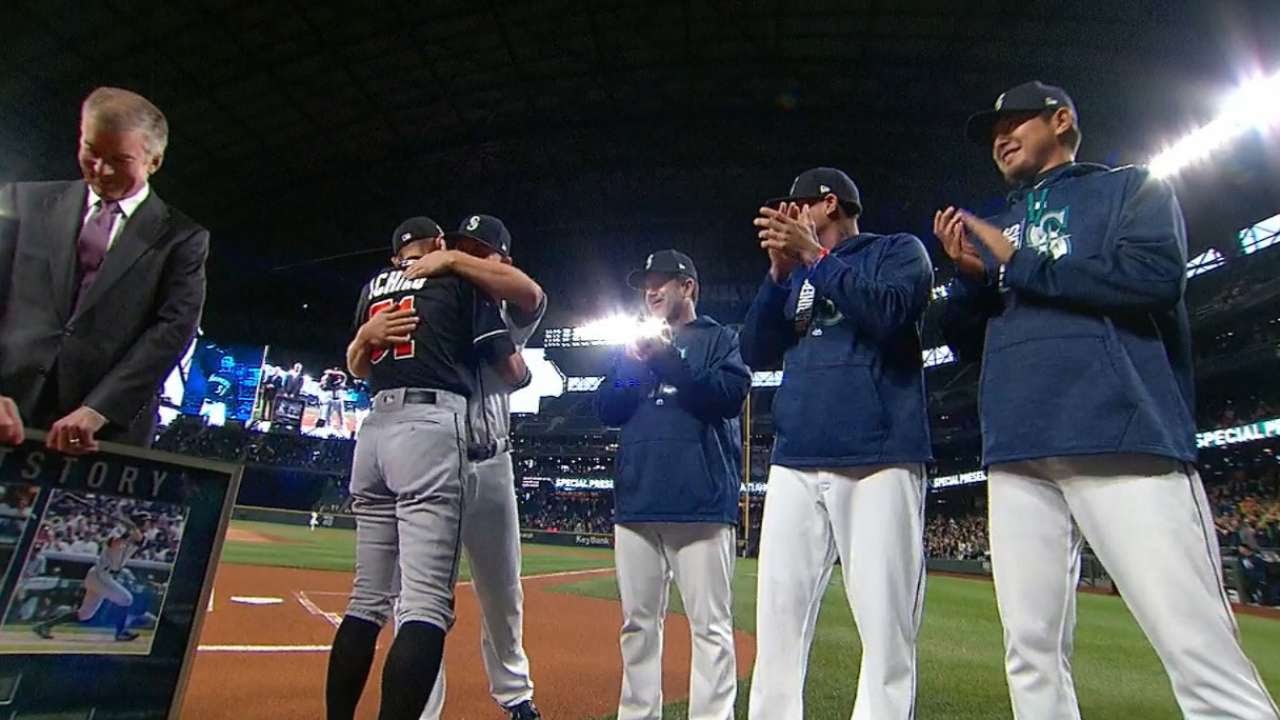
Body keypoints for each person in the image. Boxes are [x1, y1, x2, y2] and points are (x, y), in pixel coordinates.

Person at [936, 80, 1279, 719]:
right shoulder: (999, 224)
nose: (1000, 138)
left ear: (1062, 120)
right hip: (1016, 448)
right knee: (1030, 654)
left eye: (1015, 122)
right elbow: (962, 341)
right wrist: (971, 279)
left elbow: (1155, 278)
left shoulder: (1131, 188)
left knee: (1199, 651)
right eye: (991, 134)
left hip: (1122, 435)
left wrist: (1021, 265)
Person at [741, 168, 933, 719]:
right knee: (778, 622)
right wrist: (777, 276)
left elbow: (890, 315)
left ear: (829, 204)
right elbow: (754, 351)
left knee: (885, 627)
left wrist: (815, 260)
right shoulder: (796, 275)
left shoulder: (899, 251)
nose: (789, 216)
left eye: (797, 205)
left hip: (879, 459)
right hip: (796, 458)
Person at [324, 216, 503, 720]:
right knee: (425, 605)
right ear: (440, 244)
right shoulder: (456, 279)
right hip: (428, 427)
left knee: (366, 600)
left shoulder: (372, 288)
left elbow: (358, 366)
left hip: (375, 429)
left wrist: (362, 337)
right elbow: (522, 307)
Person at [0, 86, 207, 453]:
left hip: (102, 433)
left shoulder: (182, 238)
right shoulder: (22, 202)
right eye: (91, 152)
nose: (101, 170)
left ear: (153, 161)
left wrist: (99, 409)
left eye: (120, 160)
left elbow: (173, 330)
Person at [402, 214, 546, 720]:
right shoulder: (441, 303)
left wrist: (451, 258)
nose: (469, 256)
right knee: (424, 599)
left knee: (503, 592)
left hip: (492, 460)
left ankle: (515, 695)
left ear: (500, 258)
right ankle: (421, 705)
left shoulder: (505, 308)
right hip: (437, 460)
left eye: (480, 250)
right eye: (462, 246)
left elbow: (532, 293)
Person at [596, 249, 750, 720]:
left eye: (663, 280)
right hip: (638, 501)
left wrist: (666, 359)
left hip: (700, 505)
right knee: (638, 626)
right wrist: (629, 366)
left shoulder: (720, 338)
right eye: (646, 283)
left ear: (689, 288)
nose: (651, 290)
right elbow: (608, 410)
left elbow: (725, 397)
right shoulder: (636, 350)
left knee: (710, 628)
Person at [33, 503, 149, 642]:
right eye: (146, 522)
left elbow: (138, 538)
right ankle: (120, 632)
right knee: (126, 599)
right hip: (100, 574)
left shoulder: (140, 537)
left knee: (85, 614)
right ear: (140, 522)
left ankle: (44, 626)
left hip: (105, 577)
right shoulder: (117, 532)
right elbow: (113, 544)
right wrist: (126, 531)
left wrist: (131, 528)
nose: (149, 524)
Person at [321, 367, 348, 433]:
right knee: (328, 415)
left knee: (341, 415)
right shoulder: (330, 379)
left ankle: (343, 427)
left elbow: (343, 376)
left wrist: (334, 373)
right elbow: (325, 386)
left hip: (339, 399)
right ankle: (328, 427)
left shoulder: (342, 379)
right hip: (331, 399)